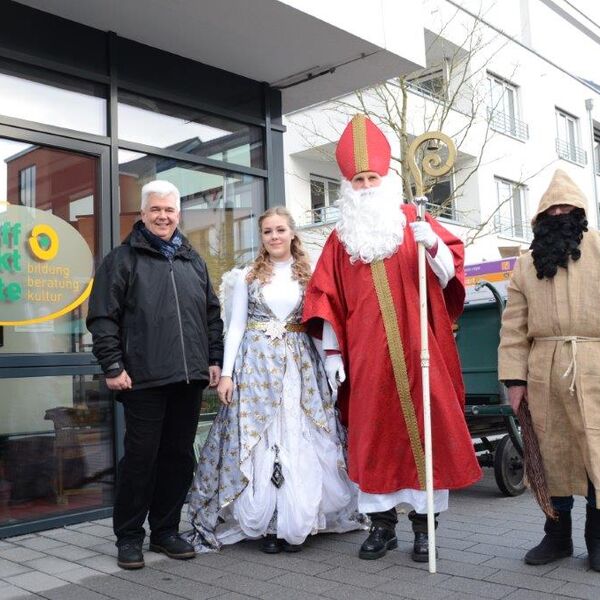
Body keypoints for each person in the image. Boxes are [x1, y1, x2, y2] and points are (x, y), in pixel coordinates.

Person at [302, 114, 481, 561]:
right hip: (366, 358)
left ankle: (424, 528)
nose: (365, 185)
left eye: (372, 177)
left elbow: (449, 278)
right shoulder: (341, 240)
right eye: (358, 179)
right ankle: (381, 527)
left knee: (425, 430)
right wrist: (331, 353)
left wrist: (435, 246)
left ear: (385, 179)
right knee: (373, 437)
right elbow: (324, 295)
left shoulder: (414, 220)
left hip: (421, 348)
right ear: (348, 184)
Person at [187, 206, 362, 554]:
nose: (274, 237)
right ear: (262, 237)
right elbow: (235, 327)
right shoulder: (247, 276)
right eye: (267, 232)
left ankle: (300, 521)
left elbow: (317, 326)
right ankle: (268, 523)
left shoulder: (309, 276)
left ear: (292, 233)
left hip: (299, 367)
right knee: (261, 439)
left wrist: (332, 363)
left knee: (300, 435)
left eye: (280, 230)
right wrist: (227, 373)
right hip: (256, 368)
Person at [87, 180, 223, 570]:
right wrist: (112, 365)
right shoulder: (122, 259)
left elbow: (212, 315)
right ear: (143, 214)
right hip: (142, 378)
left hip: (189, 378)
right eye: (156, 210)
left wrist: (213, 358)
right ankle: (129, 537)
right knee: (141, 460)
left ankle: (166, 531)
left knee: (178, 458)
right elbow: (102, 317)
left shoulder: (192, 260)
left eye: (170, 210)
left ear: (178, 215)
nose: (163, 216)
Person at [498, 169, 600, 571]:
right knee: (549, 454)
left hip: (594, 364)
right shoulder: (525, 266)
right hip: (544, 369)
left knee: (596, 451)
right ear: (540, 218)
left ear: (578, 212)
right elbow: (513, 327)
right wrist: (515, 379)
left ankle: (597, 538)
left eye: (566, 207)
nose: (559, 213)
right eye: (551, 208)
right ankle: (556, 536)